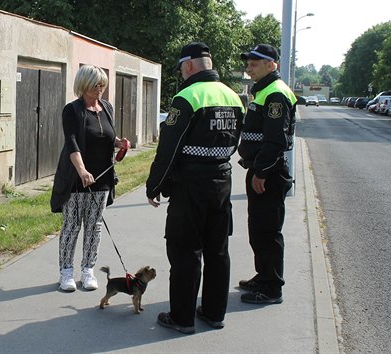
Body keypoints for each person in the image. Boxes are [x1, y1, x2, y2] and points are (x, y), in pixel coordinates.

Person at [146, 42, 244, 334]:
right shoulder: (233, 96)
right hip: (222, 182)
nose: (181, 74)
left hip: (190, 186)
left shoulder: (187, 96)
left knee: (185, 251)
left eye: (181, 69)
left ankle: (182, 318)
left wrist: (155, 186)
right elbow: (235, 141)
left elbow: (169, 149)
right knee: (217, 250)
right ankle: (214, 313)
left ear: (188, 66)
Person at [50, 65, 129, 292]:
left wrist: (120, 143)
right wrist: (82, 170)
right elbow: (72, 142)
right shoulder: (72, 110)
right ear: (83, 86)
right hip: (77, 179)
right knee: (72, 225)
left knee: (94, 226)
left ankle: (87, 270)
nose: (100, 90)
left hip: (103, 179)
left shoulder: (107, 108)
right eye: (96, 86)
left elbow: (107, 136)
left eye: (102, 85)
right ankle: (66, 272)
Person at [237, 44, 297, 304]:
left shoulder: (275, 94)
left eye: (254, 63)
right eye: (248, 62)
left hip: (269, 174)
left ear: (271, 65)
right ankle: (263, 277)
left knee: (268, 232)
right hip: (260, 170)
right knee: (258, 229)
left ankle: (272, 288)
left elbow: (275, 141)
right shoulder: (263, 91)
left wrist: (260, 172)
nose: (248, 67)